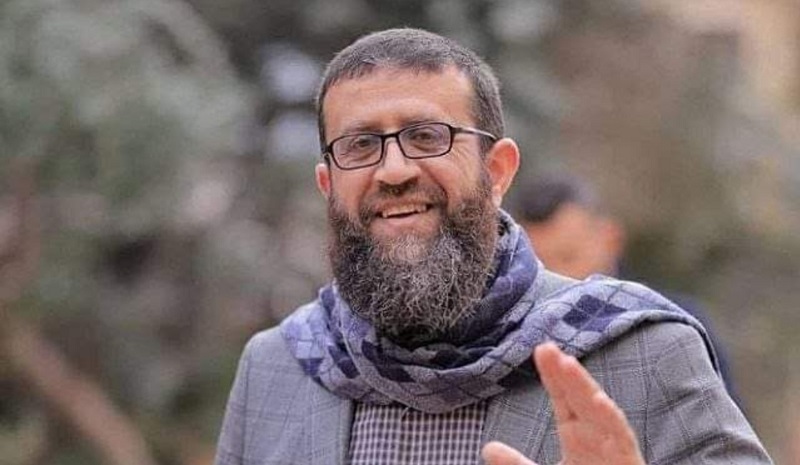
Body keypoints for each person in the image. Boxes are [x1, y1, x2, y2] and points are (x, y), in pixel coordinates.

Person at [214, 28, 772, 465]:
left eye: (427, 136)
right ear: (328, 184)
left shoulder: (643, 352)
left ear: (498, 170)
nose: (393, 170)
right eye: (360, 145)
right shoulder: (277, 367)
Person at [515, 174, 742, 402]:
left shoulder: (674, 325)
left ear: (610, 239)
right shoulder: (516, 342)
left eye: (568, 257)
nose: (555, 276)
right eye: (540, 265)